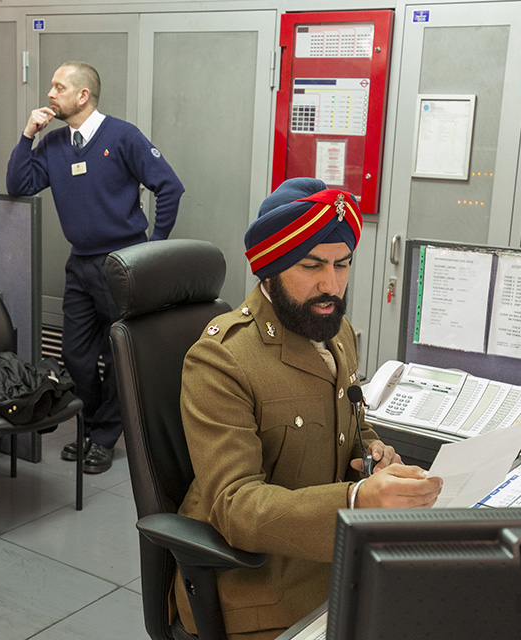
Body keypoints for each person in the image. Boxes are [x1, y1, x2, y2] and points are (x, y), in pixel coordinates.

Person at [175, 178, 443, 639]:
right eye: (311, 265)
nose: (331, 285)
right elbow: (235, 506)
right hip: (260, 588)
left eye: (343, 265)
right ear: (269, 271)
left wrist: (375, 453)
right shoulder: (221, 358)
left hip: (338, 559)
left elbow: (352, 425)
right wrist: (357, 499)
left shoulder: (336, 333)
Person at [6, 61, 185, 473]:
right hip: (80, 265)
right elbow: (19, 184)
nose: (50, 94)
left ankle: (102, 437)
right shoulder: (52, 144)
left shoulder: (123, 136)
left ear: (82, 95)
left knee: (121, 354)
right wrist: (27, 135)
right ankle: (93, 427)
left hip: (124, 264)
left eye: (58, 87)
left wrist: (154, 248)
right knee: (77, 355)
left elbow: (169, 186)